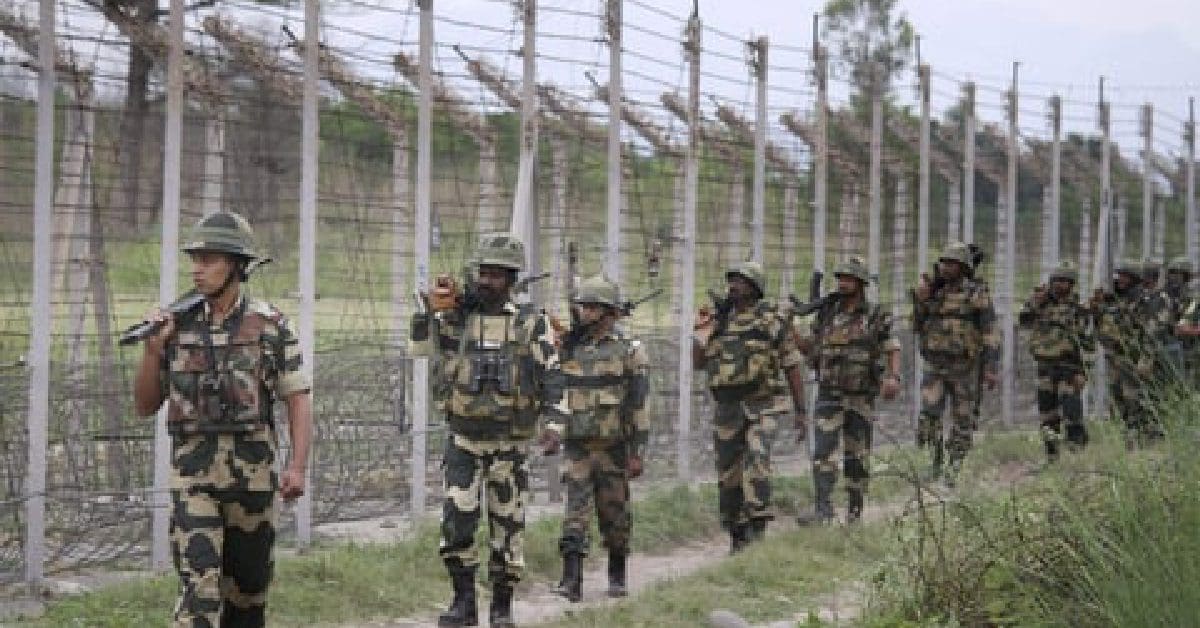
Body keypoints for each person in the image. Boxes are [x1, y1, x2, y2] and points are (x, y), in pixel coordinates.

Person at [132, 210, 312, 628]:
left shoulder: (270, 326)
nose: (197, 269)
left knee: (247, 598)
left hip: (253, 479)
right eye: (194, 259)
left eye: (208, 259)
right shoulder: (175, 326)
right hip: (193, 478)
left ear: (236, 265)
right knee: (200, 591)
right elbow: (144, 406)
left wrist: (297, 467)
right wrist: (153, 351)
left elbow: (297, 400)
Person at [410, 232, 563, 628]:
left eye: (497, 275)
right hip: (464, 441)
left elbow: (552, 373)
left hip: (509, 445)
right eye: (484, 273)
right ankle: (463, 603)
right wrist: (428, 311)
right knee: (457, 522)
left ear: (512, 280)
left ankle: (501, 608)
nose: (488, 281)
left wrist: (556, 421)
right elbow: (421, 350)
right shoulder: (456, 319)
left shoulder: (532, 322)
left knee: (507, 528)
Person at [540, 274, 649, 602]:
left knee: (614, 513)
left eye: (591, 308)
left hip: (614, 447)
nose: (583, 313)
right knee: (575, 511)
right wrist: (552, 429)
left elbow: (639, 404)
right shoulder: (567, 348)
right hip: (578, 447)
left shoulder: (630, 351)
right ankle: (571, 581)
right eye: (582, 306)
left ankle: (617, 575)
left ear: (609, 313)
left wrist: (638, 451)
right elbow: (554, 392)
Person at [693, 261, 805, 553]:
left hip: (763, 404)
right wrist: (701, 333)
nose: (733, 286)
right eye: (731, 281)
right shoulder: (719, 321)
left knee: (757, 462)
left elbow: (791, 364)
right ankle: (737, 534)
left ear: (755, 287)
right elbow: (698, 363)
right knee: (728, 475)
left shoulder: (771, 321)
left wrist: (801, 411)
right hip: (728, 408)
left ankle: (758, 528)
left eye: (740, 281)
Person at [797, 257, 901, 524]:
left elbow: (891, 346)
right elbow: (812, 346)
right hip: (828, 393)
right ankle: (823, 510)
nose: (842, 283)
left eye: (849, 279)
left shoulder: (875, 315)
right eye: (840, 278)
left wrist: (893, 377)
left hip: (860, 396)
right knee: (822, 453)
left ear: (861, 283)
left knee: (857, 455)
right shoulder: (827, 313)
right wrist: (793, 336)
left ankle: (855, 511)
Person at [912, 242, 1000, 485]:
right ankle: (935, 463)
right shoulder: (934, 293)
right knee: (929, 415)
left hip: (966, 368)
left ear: (963, 267)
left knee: (963, 420)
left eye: (951, 264)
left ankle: (954, 468)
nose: (945, 268)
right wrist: (920, 300)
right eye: (943, 263)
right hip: (935, 367)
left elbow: (990, 331)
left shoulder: (976, 294)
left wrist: (991, 366)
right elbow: (918, 325)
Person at [1018, 261, 1093, 463]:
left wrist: (1084, 372)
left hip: (1069, 367)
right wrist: (1036, 302)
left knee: (1071, 411)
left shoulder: (1078, 309)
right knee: (1047, 415)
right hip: (1045, 367)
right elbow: (1023, 320)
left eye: (1065, 281)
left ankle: (1078, 454)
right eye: (1057, 280)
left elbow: (1087, 343)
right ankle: (1052, 457)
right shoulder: (1040, 303)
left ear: (1072, 284)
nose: (1060, 285)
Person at [1092, 258, 1160, 446]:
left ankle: (1146, 439)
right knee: (1118, 399)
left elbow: (1150, 333)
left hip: (1133, 360)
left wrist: (1146, 360)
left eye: (1125, 276)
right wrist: (1097, 308)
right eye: (1119, 275)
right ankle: (1129, 438)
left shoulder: (1142, 301)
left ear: (1134, 278)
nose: (1120, 279)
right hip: (1114, 358)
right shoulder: (1113, 299)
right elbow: (1100, 325)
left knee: (1135, 400)